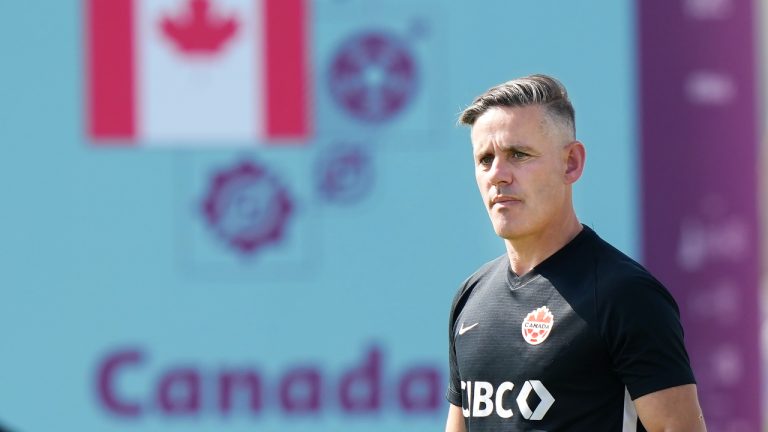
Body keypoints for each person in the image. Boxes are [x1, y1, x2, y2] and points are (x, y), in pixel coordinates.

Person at [445, 74, 706, 431]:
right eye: (485, 159)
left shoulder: (625, 295)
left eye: (518, 155)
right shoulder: (471, 297)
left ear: (571, 163)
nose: (498, 175)